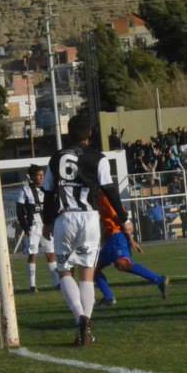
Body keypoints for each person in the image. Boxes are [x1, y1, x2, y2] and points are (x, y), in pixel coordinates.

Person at [42, 112, 126, 346]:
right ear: (90, 133)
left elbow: (48, 193)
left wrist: (47, 222)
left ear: (69, 133)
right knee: (87, 274)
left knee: (64, 271)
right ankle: (86, 323)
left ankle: (79, 316)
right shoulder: (98, 158)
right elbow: (110, 189)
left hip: (65, 219)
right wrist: (123, 217)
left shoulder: (56, 158)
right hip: (89, 218)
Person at [94, 192, 167, 307]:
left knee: (122, 264)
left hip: (117, 237)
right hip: (111, 239)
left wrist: (131, 239)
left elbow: (120, 217)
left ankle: (159, 279)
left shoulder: (105, 198)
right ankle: (108, 297)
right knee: (94, 269)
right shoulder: (99, 198)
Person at [16, 165, 59, 292]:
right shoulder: (25, 190)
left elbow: (53, 207)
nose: (41, 177)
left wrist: (52, 224)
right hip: (33, 227)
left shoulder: (47, 189)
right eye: (39, 175)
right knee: (32, 255)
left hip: (46, 226)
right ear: (32, 177)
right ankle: (32, 286)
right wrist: (26, 228)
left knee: (51, 254)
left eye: (42, 175)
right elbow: (19, 211)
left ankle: (57, 283)